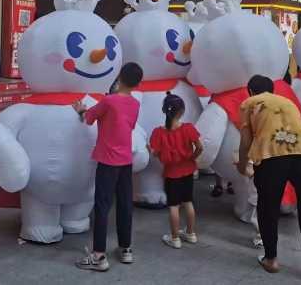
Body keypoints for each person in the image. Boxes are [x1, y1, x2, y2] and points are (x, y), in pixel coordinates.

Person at [237, 75, 301, 279]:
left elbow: (246, 140)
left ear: (250, 91)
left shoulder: (250, 103)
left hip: (271, 155)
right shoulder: (288, 102)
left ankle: (271, 259)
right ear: (272, 90)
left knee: (268, 207)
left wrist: (242, 164)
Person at [71, 62, 143, 272]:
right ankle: (125, 248)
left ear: (119, 77)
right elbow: (128, 126)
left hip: (108, 161)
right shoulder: (135, 104)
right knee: (125, 204)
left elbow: (88, 119)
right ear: (137, 84)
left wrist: (80, 110)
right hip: (125, 161)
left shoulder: (109, 101)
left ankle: (98, 256)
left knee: (102, 206)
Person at [148, 93, 203, 249]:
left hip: (171, 173)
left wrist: (149, 149)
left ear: (164, 110)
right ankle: (191, 234)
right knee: (188, 202)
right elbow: (200, 147)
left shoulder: (158, 133)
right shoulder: (188, 129)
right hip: (188, 170)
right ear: (182, 111)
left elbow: (154, 153)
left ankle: (175, 238)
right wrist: (192, 157)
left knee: (173, 206)